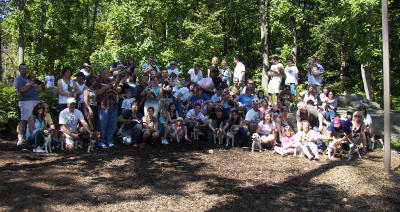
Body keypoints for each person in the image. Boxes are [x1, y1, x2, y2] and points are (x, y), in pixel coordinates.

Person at [14, 63, 43, 146]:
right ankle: (20, 138)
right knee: (24, 119)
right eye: (22, 68)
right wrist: (30, 84)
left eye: (25, 68)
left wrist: (35, 85)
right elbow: (22, 89)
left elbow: (40, 89)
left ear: (27, 69)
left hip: (36, 100)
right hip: (25, 101)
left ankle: (32, 138)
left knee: (35, 119)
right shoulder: (18, 79)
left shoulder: (31, 78)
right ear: (19, 70)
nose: (24, 70)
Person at [95, 67, 119, 148]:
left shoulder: (110, 80)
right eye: (105, 73)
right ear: (101, 73)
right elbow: (96, 93)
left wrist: (115, 84)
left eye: (107, 73)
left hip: (113, 106)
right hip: (103, 106)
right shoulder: (97, 81)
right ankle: (100, 141)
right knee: (102, 126)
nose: (106, 75)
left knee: (112, 125)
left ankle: (109, 141)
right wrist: (105, 87)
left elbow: (116, 89)